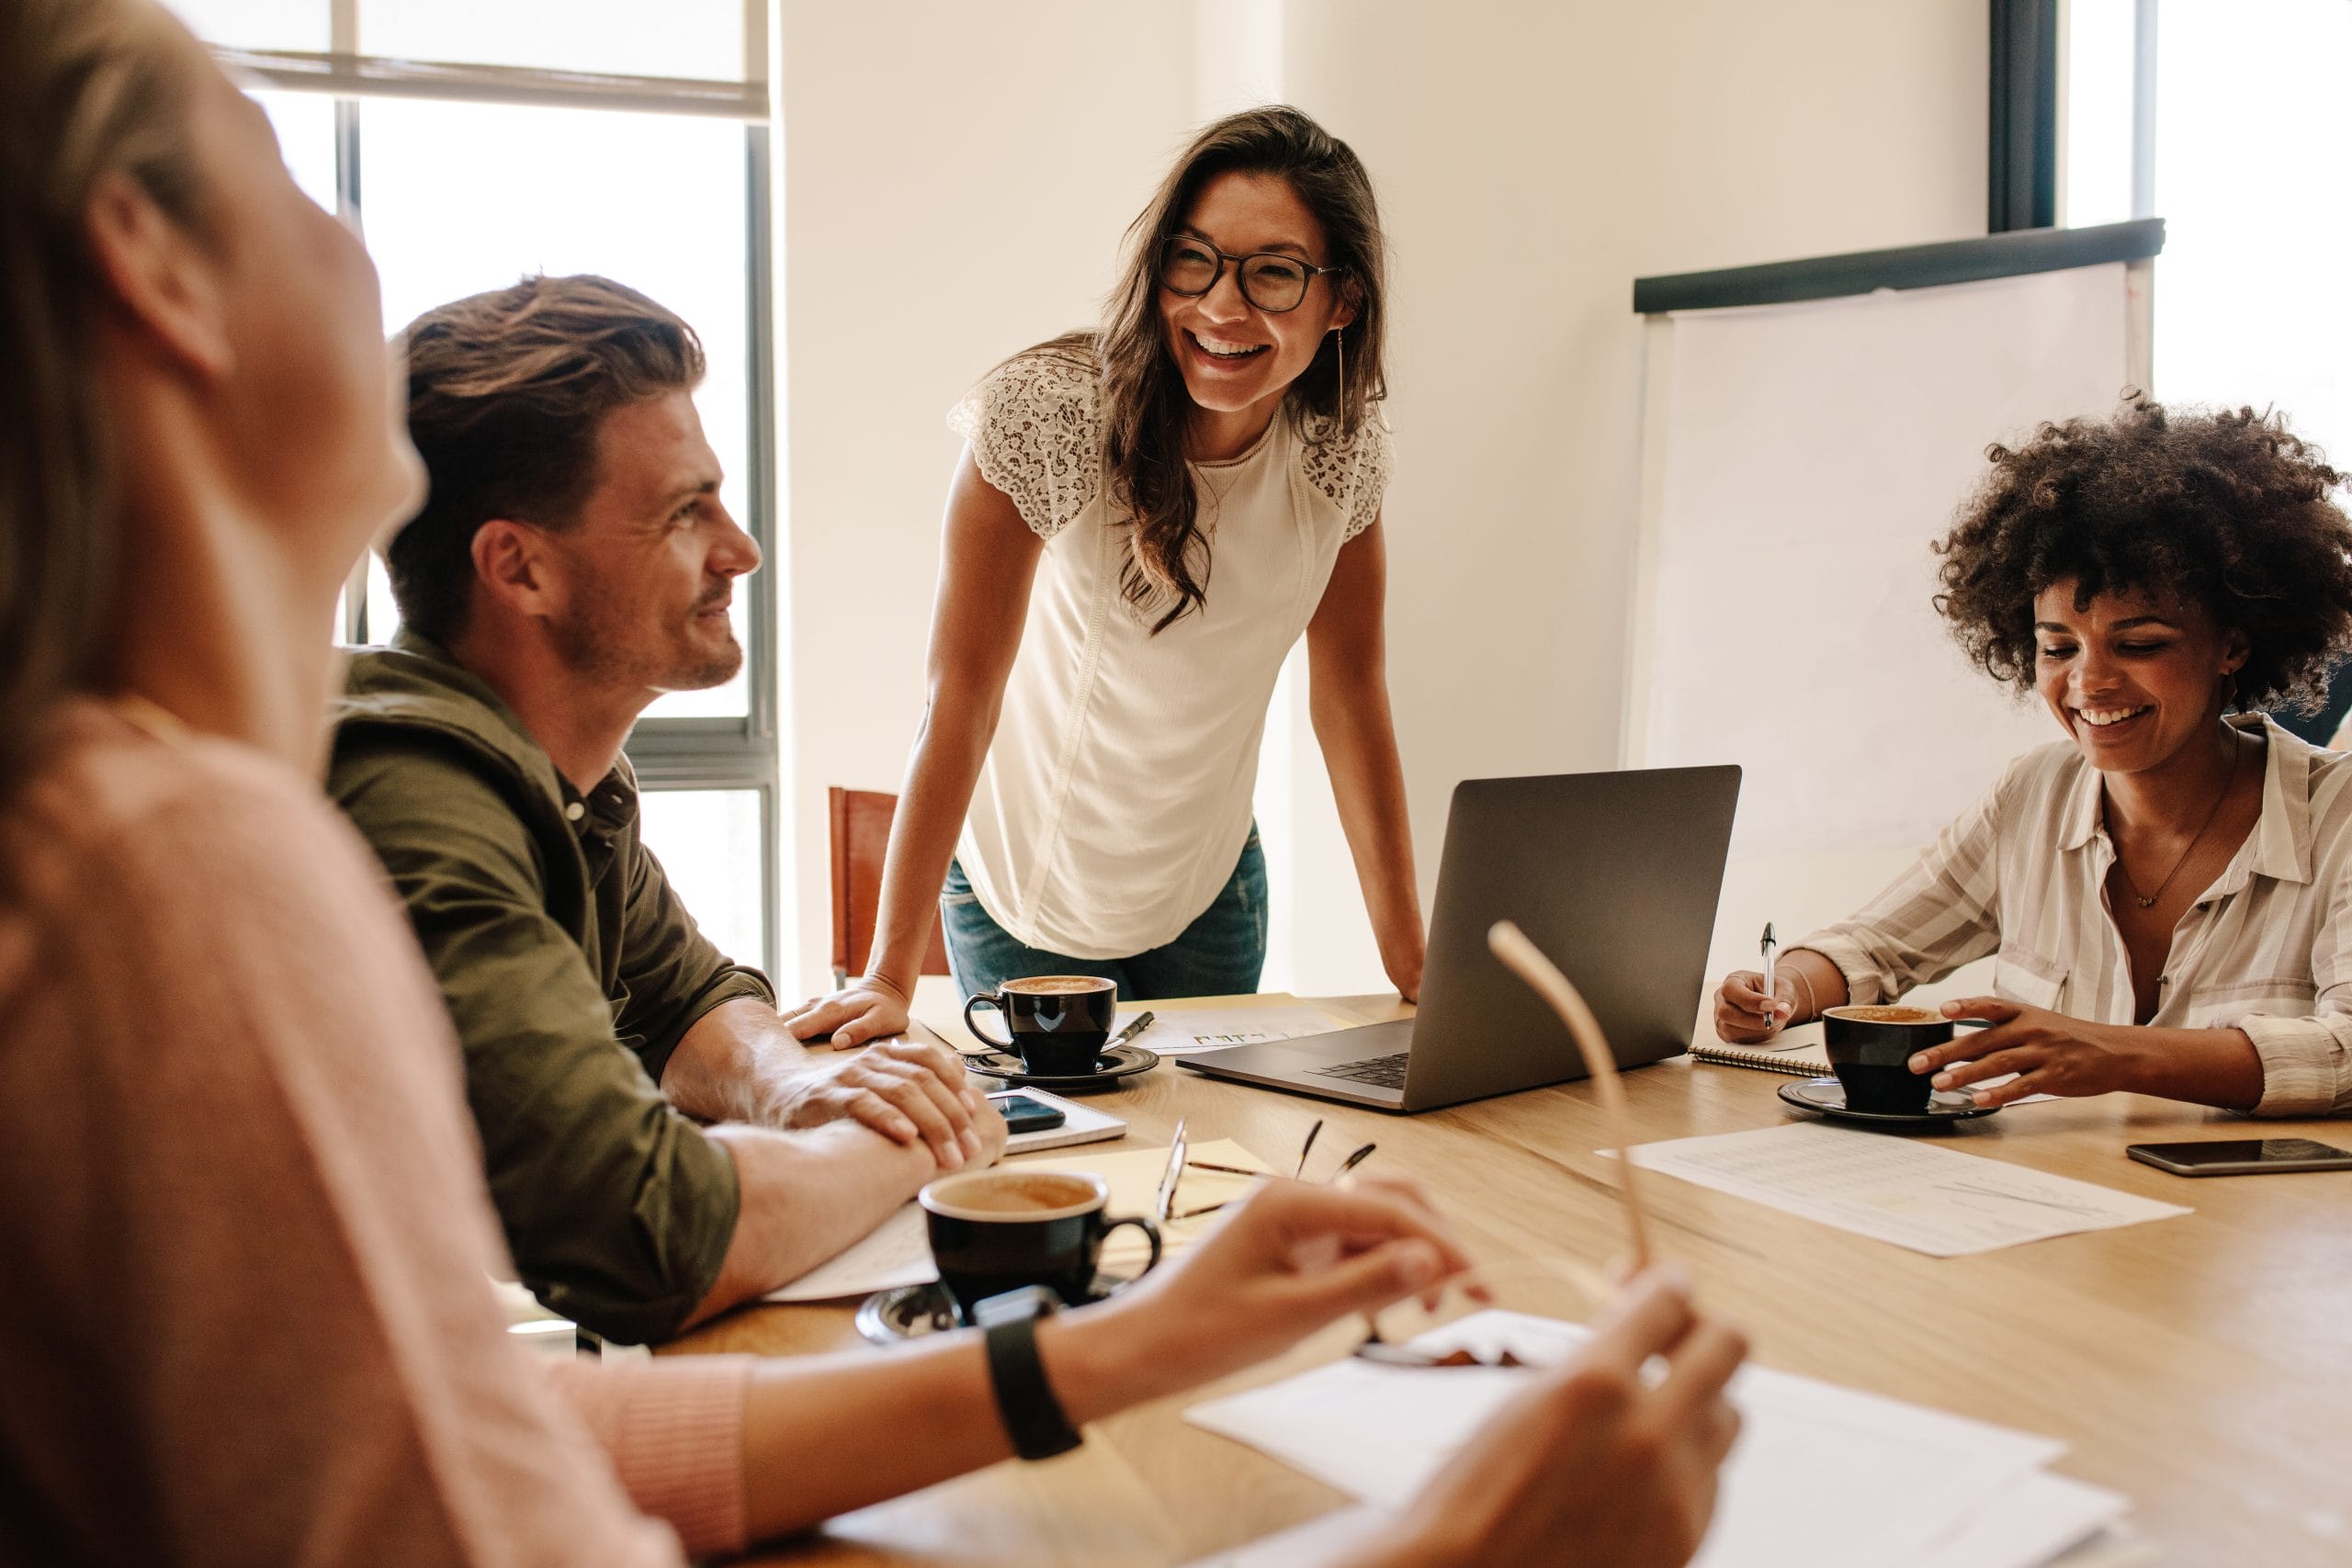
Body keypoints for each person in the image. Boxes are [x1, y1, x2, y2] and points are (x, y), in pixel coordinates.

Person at [0, 3, 1747, 1562]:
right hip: (1026, 899)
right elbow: (615, 1284)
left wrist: (1126, 1340)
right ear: (150, 261)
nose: (745, 549)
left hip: (1189, 895)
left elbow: (485, 1425)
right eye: (294, 184)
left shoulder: (427, 792)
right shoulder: (192, 861)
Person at [325, 273, 995, 1346]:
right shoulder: (420, 800)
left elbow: (679, 997)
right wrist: (919, 1143)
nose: (741, 551)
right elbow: (642, 1236)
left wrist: (797, 1090)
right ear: (520, 568)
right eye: (686, 514)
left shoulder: (560, 773)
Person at [786, 106, 1424, 1048]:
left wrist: (1411, 958)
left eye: (1275, 272)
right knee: (1062, 1157)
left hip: (1210, 889)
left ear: (1343, 302)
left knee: (1208, 1162)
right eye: (1193, 259)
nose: (1220, 305)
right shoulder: (1048, 416)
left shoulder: (1339, 452)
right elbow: (960, 693)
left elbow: (1350, 695)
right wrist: (887, 974)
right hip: (1026, 898)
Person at [1715, 399, 2352, 1117]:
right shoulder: (2033, 794)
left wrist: (2112, 1053)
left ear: (2233, 645)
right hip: (2053, 1203)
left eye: (2139, 644)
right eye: (2058, 647)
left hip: (2247, 1225)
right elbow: (1876, 947)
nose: (2090, 683)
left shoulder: (2338, 815)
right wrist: (1786, 987)